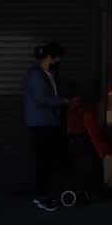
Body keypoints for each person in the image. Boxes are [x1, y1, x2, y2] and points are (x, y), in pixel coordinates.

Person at [25, 41, 68, 212]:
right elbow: (41, 99)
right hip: (41, 123)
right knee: (44, 161)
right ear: (49, 57)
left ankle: (43, 195)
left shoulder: (47, 73)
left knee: (47, 160)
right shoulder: (37, 75)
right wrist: (63, 101)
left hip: (48, 122)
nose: (59, 61)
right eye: (57, 57)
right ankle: (43, 197)